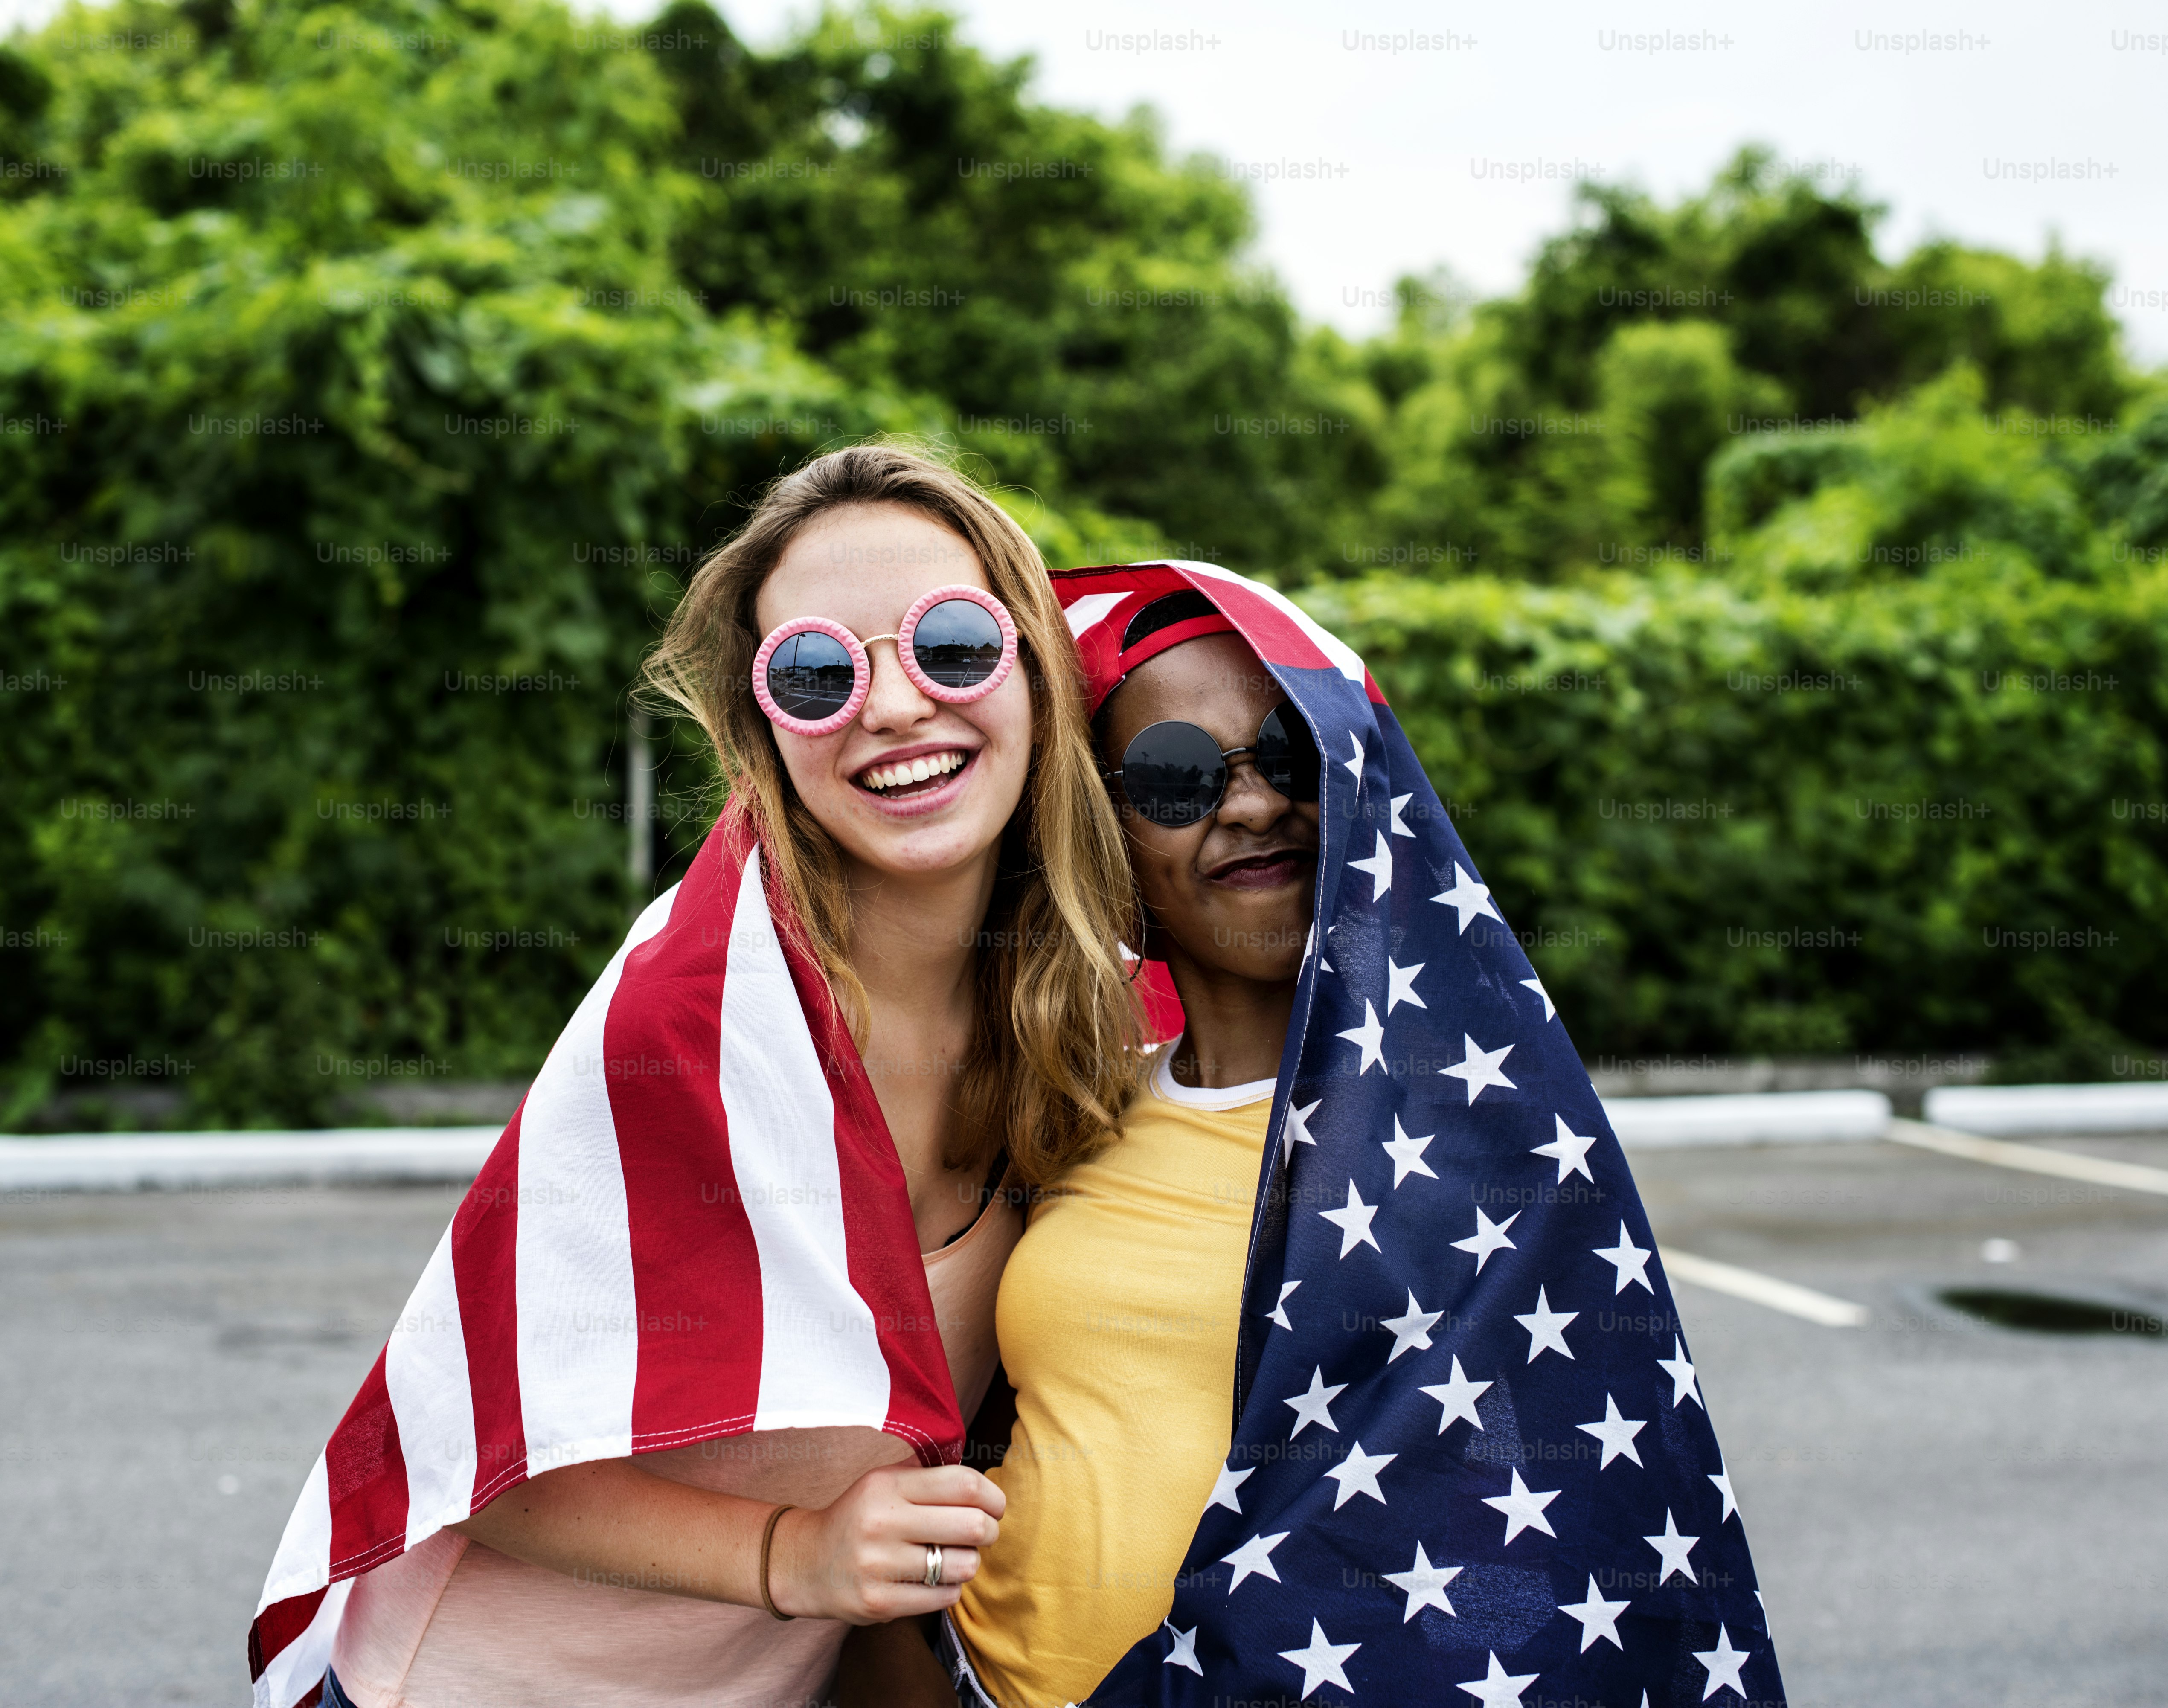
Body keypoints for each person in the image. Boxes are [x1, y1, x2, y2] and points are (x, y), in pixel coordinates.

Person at [247, 445, 1151, 1708]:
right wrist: (795, 1554)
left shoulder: (1106, 1020)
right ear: (767, 732)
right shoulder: (688, 1018)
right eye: (819, 673)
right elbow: (460, 1448)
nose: (891, 705)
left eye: (951, 643)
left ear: (1040, 674)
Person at [945, 562, 1785, 1707]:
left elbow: (1540, 1536)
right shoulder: (1069, 1111)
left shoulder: (1483, 1133)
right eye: (1176, 775)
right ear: (1108, 831)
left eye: (1287, 755)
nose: (1248, 804)